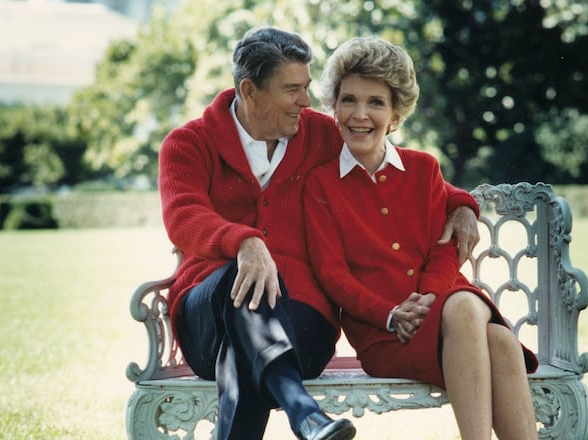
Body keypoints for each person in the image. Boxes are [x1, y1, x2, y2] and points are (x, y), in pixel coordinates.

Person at [157, 27, 480, 440]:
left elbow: (388, 169)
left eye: (307, 87)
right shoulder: (188, 143)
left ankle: (305, 415)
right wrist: (245, 241)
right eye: (292, 89)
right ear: (250, 90)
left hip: (302, 324)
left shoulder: (320, 135)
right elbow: (183, 215)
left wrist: (461, 202)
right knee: (238, 286)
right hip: (207, 317)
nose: (307, 102)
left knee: (243, 352)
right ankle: (303, 412)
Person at [303, 36, 539, 440]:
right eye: (349, 100)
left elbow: (446, 248)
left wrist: (427, 300)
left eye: (376, 102)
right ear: (333, 107)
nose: (360, 114)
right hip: (385, 332)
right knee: (491, 332)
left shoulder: (423, 168)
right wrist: (391, 314)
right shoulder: (320, 184)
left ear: (395, 115)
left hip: (447, 308)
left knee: (492, 331)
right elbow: (333, 275)